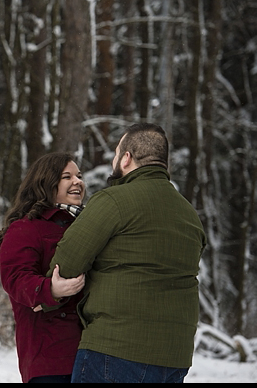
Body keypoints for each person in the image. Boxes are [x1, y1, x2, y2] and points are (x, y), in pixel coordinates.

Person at [44, 123, 206, 383]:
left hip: (115, 348)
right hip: (175, 357)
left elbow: (67, 264)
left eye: (117, 153)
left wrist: (43, 293)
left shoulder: (114, 200)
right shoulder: (189, 215)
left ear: (127, 157)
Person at [0, 152, 89, 383]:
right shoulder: (26, 227)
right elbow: (15, 278)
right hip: (49, 358)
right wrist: (51, 290)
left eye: (79, 176)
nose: (77, 181)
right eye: (67, 177)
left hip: (90, 353)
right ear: (46, 183)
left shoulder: (89, 226)